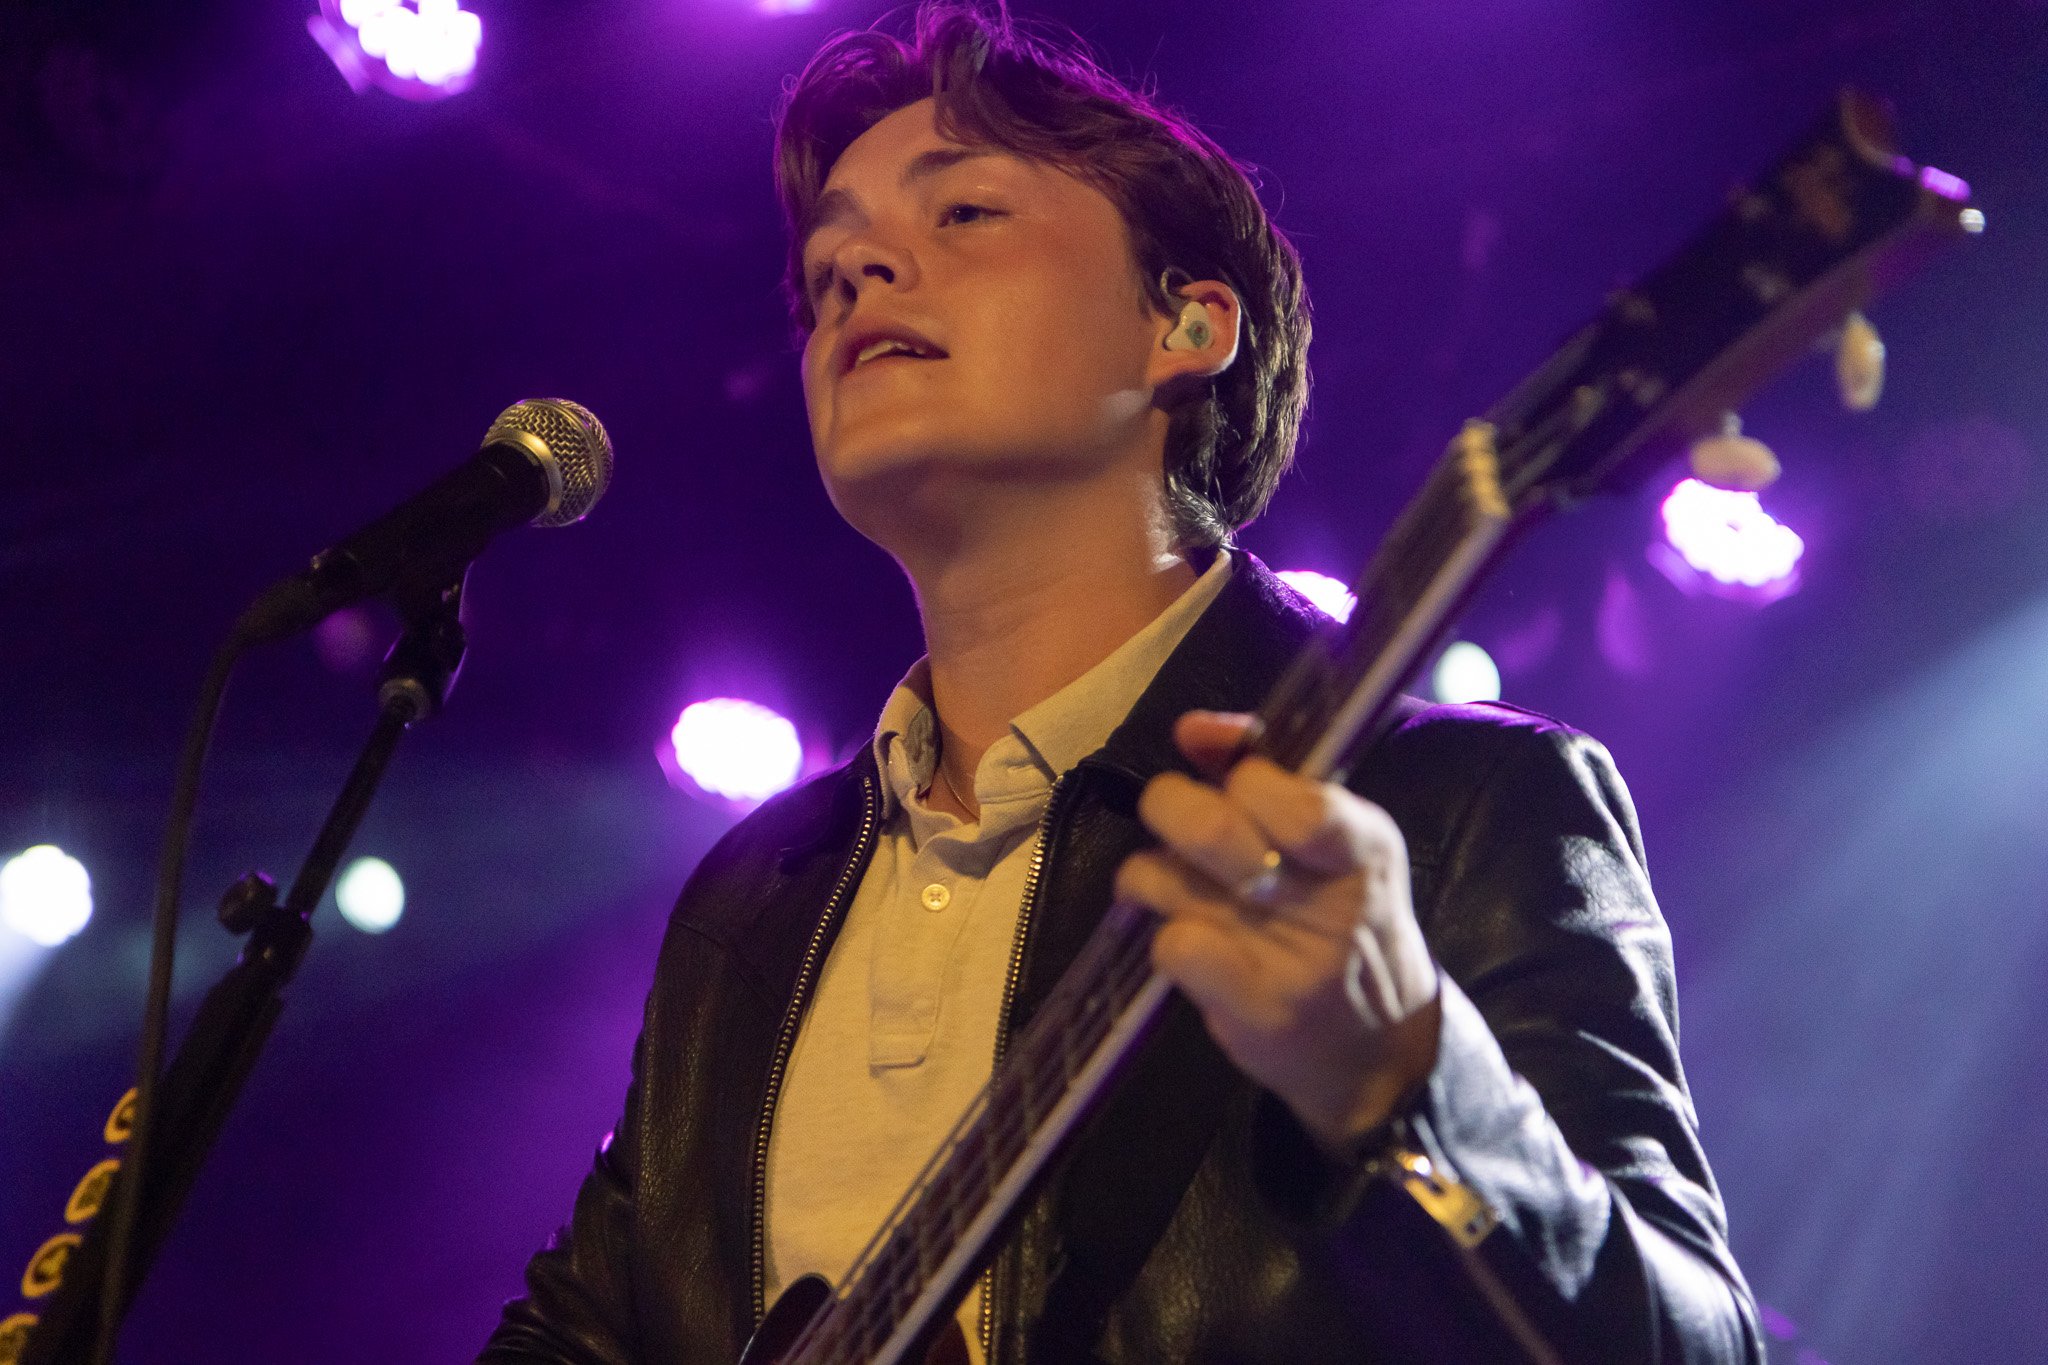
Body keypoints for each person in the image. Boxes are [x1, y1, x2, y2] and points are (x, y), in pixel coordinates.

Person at [481, 3, 1763, 1361]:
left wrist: (1414, 1079)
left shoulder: (1456, 804)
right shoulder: (750, 898)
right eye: (823, 267)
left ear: (1187, 325)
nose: (853, 268)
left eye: (963, 211)